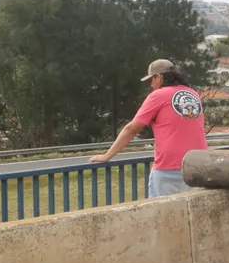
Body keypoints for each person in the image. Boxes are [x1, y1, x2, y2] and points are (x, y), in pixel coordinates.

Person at [89, 59, 208, 198]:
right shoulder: (193, 93)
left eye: (152, 79)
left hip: (169, 168)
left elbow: (131, 129)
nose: (151, 85)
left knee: (162, 215)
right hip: (199, 164)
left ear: (159, 76)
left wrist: (107, 156)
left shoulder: (158, 95)